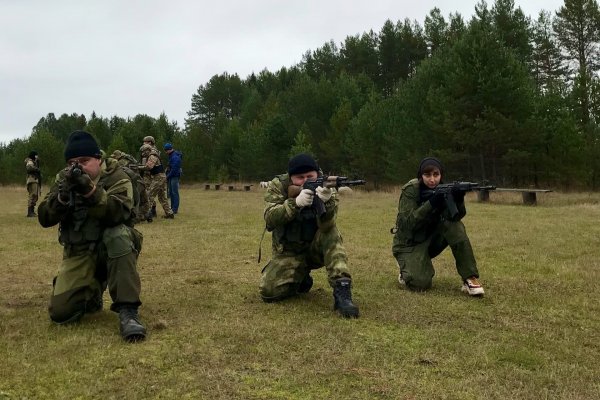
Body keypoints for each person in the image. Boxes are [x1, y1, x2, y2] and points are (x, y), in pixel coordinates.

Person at [37, 130, 147, 342]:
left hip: (114, 248)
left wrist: (89, 190)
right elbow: (44, 218)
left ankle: (128, 312)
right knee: (61, 314)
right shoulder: (63, 178)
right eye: (72, 162)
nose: (77, 167)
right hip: (79, 252)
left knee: (118, 235)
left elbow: (118, 213)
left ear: (98, 159)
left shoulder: (117, 177)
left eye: (84, 161)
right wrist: (61, 197)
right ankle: (90, 294)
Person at [260, 153, 359, 318]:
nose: (306, 181)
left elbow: (327, 226)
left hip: (316, 248)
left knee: (332, 232)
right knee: (268, 292)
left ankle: (342, 290)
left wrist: (326, 202)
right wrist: (295, 203)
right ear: (291, 178)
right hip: (289, 251)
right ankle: (300, 278)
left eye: (310, 176)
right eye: (300, 178)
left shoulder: (326, 186)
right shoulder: (279, 186)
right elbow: (270, 219)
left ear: (317, 175)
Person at [391, 157, 485, 296]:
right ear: (420, 176)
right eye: (427, 175)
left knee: (455, 226)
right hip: (408, 245)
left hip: (430, 239)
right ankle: (406, 269)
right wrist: (432, 202)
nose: (432, 179)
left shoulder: (444, 189)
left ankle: (470, 278)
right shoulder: (411, 190)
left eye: (436, 175)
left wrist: (458, 198)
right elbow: (408, 224)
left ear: (441, 175)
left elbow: (455, 217)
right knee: (420, 284)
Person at [111, 150, 152, 223]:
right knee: (144, 201)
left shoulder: (121, 162)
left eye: (114, 157)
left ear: (117, 156)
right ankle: (147, 215)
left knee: (135, 202)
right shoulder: (130, 159)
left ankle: (137, 217)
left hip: (135, 184)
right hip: (140, 181)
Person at [140, 136, 174, 219]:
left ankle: (146, 215)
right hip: (161, 177)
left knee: (149, 195)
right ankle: (169, 213)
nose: (143, 153)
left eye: (144, 151)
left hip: (158, 177)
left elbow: (149, 167)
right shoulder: (153, 153)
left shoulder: (152, 155)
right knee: (162, 197)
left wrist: (137, 167)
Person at [163, 142, 182, 214]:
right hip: (171, 176)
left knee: (174, 192)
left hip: (174, 176)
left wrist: (167, 176)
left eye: (166, 150)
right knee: (171, 193)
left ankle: (175, 209)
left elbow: (174, 169)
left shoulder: (175, 157)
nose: (165, 152)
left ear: (169, 149)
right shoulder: (171, 155)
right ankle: (172, 208)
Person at [25, 150, 41, 217]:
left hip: (34, 180)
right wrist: (36, 169)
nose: (37, 157)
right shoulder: (30, 161)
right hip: (32, 180)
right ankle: (30, 212)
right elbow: (29, 168)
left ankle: (32, 211)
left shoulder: (34, 162)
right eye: (36, 155)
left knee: (35, 196)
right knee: (33, 195)